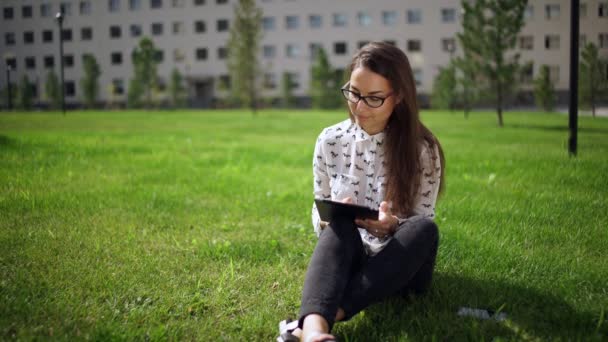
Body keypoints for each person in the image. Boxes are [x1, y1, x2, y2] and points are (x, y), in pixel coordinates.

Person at [278, 41, 445, 342]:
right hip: (349, 263)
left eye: (374, 98)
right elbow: (318, 209)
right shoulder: (330, 140)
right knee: (338, 222)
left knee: (424, 229)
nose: (359, 107)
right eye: (354, 94)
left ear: (400, 97)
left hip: (400, 271)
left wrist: (392, 226)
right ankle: (315, 332)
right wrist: (330, 216)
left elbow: (422, 218)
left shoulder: (423, 149)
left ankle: (321, 319)